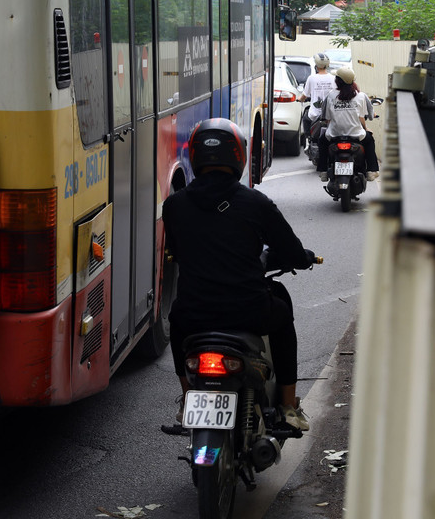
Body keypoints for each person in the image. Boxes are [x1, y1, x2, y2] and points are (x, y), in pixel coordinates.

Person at [162, 118, 314, 431]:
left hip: (193, 316)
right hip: (250, 313)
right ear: (238, 156)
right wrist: (303, 259)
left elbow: (176, 251)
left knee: (176, 319)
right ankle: (288, 406)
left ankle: (188, 398)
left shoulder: (174, 205)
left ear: (195, 155)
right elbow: (291, 251)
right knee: (282, 311)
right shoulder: (255, 202)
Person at [316, 67, 380, 182]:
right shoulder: (361, 96)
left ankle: (323, 171)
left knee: (322, 141)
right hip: (356, 135)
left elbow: (326, 118)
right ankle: (371, 170)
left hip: (334, 135)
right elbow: (363, 117)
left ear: (337, 81)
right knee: (369, 140)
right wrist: (365, 128)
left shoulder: (330, 96)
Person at [298, 52, 335, 139]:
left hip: (315, 114)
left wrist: (300, 99)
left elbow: (304, 95)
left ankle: (309, 138)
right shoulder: (333, 78)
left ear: (316, 65)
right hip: (330, 114)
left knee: (305, 118)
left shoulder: (311, 78)